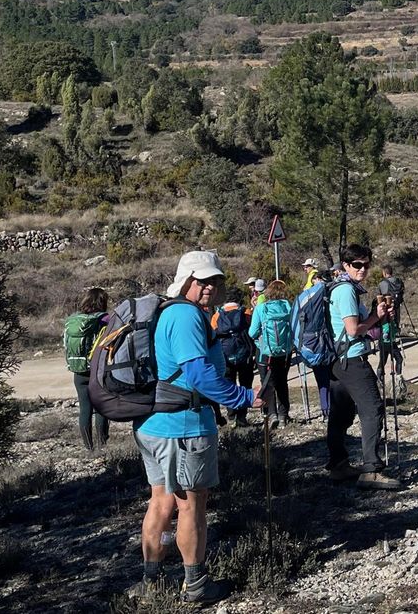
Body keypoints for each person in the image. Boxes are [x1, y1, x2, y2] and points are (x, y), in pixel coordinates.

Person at [130, 249, 264, 603]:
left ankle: (151, 585)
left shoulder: (165, 312)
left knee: (160, 502)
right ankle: (196, 585)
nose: (209, 287)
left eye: (214, 280)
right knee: (190, 504)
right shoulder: (187, 317)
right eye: (201, 280)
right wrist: (244, 398)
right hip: (184, 426)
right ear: (186, 280)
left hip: (155, 423)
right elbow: (199, 375)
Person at [326, 243, 401, 490]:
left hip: (337, 360)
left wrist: (373, 316)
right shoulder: (346, 290)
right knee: (373, 409)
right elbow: (353, 329)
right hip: (352, 359)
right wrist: (375, 317)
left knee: (342, 412)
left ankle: (338, 465)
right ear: (346, 265)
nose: (363, 269)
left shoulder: (339, 288)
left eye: (367, 264)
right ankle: (371, 469)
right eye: (357, 265)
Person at [63, 286, 110, 450]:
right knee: (101, 408)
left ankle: (88, 447)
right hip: (96, 370)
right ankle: (102, 445)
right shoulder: (104, 319)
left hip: (78, 369)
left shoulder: (73, 320)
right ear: (102, 301)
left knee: (85, 409)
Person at [249, 279, 294, 428]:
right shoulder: (288, 307)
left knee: (267, 382)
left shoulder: (261, 308)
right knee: (282, 382)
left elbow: (252, 332)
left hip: (265, 353)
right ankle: (283, 415)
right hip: (285, 352)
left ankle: (272, 413)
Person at [293, 269, 334, 417]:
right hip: (331, 342)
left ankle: (326, 409)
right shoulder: (333, 292)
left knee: (322, 379)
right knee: (334, 378)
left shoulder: (306, 296)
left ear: (316, 279)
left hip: (313, 344)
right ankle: (335, 407)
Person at [212, 290, 254, 428]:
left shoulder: (217, 315)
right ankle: (242, 417)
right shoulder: (246, 312)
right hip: (244, 354)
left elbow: (213, 335)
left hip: (225, 356)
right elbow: (253, 331)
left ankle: (231, 416)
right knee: (245, 384)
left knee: (229, 384)